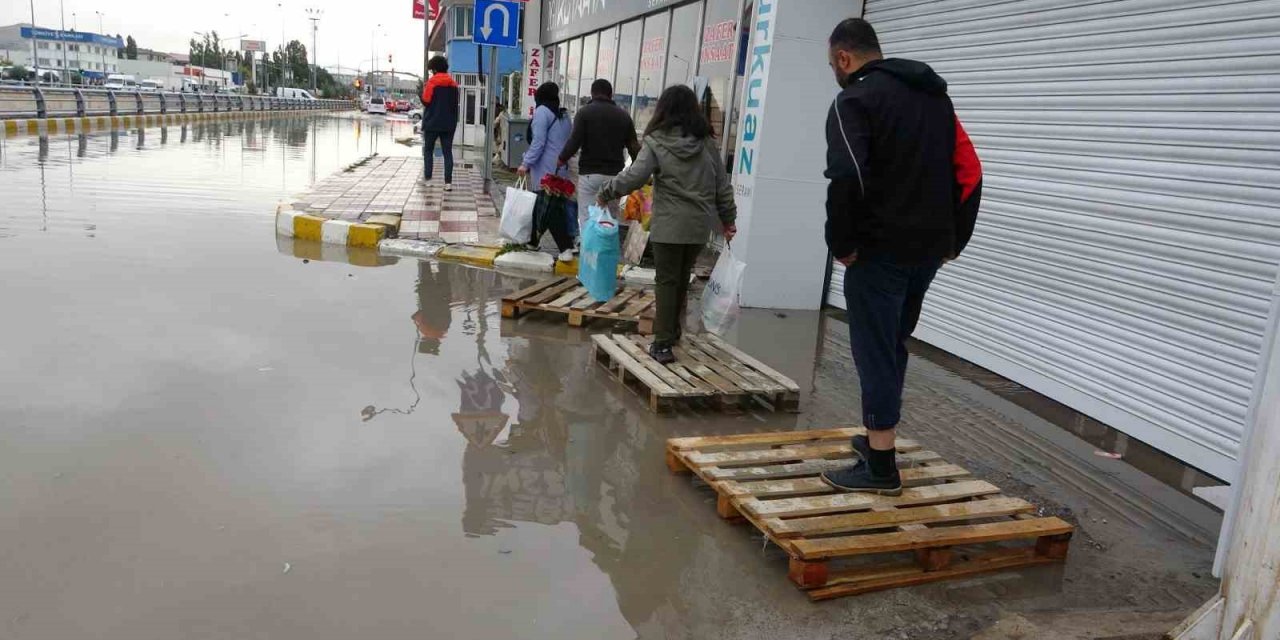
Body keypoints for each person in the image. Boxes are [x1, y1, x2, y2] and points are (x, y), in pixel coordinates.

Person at [818, 18, 983, 496]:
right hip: (926, 249)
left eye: (833, 64)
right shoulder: (935, 99)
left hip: (878, 251)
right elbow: (970, 171)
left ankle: (881, 467)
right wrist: (954, 239)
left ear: (844, 58)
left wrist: (842, 244)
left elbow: (846, 175)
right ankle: (877, 441)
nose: (834, 72)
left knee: (875, 350)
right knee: (892, 343)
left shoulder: (854, 100)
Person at [598, 85, 737, 365]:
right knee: (681, 280)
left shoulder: (656, 141)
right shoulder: (706, 142)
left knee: (666, 282)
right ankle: (672, 333)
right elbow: (722, 184)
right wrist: (728, 219)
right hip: (698, 227)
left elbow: (635, 176)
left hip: (670, 226)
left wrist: (607, 191)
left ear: (664, 109)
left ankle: (662, 344)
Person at [557, 79, 641, 239]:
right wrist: (640, 170)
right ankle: (605, 252)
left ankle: (588, 253)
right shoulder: (624, 116)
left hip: (590, 174)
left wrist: (562, 158)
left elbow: (574, 141)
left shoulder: (584, 112)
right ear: (611, 95)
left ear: (592, 93)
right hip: (614, 176)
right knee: (609, 218)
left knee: (588, 216)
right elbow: (633, 147)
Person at [519, 82, 575, 260]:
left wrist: (525, 163)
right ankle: (532, 241)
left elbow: (538, 143)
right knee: (541, 206)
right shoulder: (564, 115)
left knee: (550, 209)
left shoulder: (542, 113)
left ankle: (566, 247)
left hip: (545, 170)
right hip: (560, 167)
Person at [420, 55, 460, 191]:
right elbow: (455, 105)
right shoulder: (453, 84)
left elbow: (426, 101)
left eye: (432, 70)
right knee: (447, 152)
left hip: (432, 122)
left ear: (435, 69)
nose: (432, 72)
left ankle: (428, 180)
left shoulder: (432, 83)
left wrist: (421, 92)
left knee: (428, 150)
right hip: (449, 124)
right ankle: (448, 183)